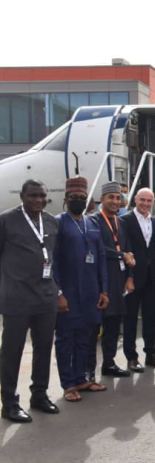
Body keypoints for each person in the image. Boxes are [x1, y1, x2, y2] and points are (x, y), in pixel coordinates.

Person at [0, 180, 60, 423]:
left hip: (46, 298)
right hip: (16, 299)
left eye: (42, 196)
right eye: (33, 195)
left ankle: (39, 395)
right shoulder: (6, 221)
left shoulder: (51, 222)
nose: (37, 200)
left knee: (44, 348)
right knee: (12, 352)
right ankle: (10, 403)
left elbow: (52, 257)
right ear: (22, 195)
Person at [53, 177, 109, 402]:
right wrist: (58, 293)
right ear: (66, 199)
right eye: (74, 198)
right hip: (68, 292)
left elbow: (102, 258)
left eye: (82, 199)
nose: (78, 201)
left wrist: (104, 290)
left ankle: (82, 378)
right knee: (66, 338)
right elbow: (53, 262)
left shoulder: (92, 223)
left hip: (91, 292)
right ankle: (68, 384)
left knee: (86, 337)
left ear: (88, 201)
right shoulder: (58, 223)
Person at [89, 181, 135, 378]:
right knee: (93, 328)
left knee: (114, 325)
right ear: (103, 199)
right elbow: (95, 248)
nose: (115, 201)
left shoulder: (121, 221)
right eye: (111, 198)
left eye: (118, 198)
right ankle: (88, 369)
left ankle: (109, 363)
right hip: (100, 279)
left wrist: (130, 276)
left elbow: (126, 248)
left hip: (119, 279)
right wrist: (121, 255)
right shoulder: (93, 221)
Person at [120, 188, 155, 372]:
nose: (146, 204)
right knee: (130, 319)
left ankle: (151, 354)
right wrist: (128, 277)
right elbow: (124, 249)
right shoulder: (125, 221)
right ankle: (131, 357)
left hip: (151, 278)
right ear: (135, 200)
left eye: (149, 201)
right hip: (132, 278)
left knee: (150, 318)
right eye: (142, 200)